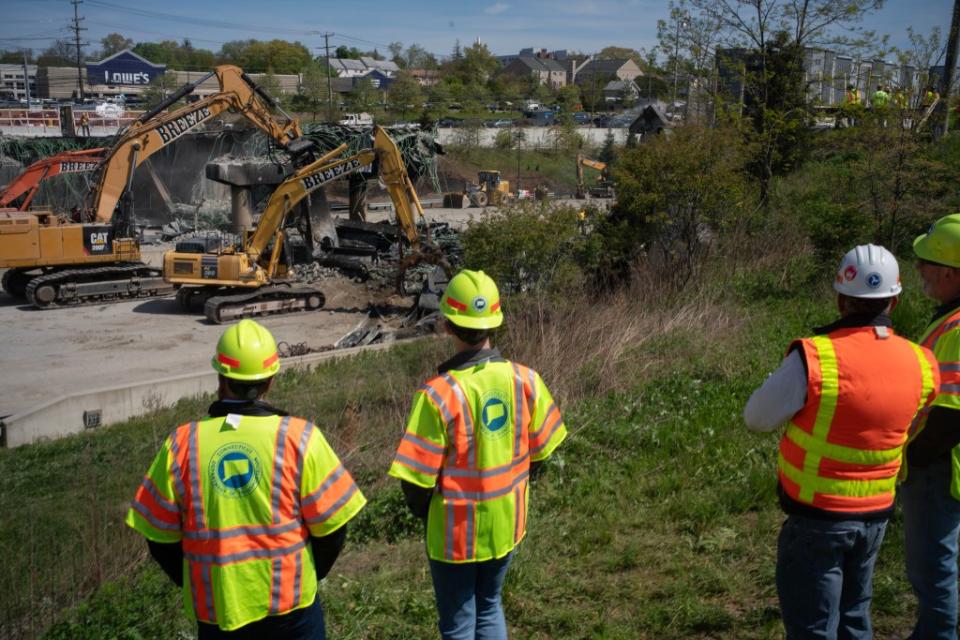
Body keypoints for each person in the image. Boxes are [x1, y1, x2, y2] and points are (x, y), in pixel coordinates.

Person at [744, 244, 939, 639]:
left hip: (817, 515)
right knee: (855, 617)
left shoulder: (816, 357)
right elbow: (913, 426)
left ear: (840, 298)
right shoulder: (922, 362)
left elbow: (757, 418)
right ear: (895, 301)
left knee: (814, 627)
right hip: (877, 515)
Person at [125, 319, 366, 639]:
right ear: (271, 379)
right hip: (292, 610)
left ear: (221, 376)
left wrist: (197, 579)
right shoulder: (300, 438)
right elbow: (333, 530)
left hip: (218, 613)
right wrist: (310, 574)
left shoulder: (183, 445)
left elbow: (158, 538)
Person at [388, 269, 567, 640]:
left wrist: (427, 512)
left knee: (458, 622)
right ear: (495, 322)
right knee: (489, 606)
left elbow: (414, 481)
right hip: (507, 523)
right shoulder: (526, 380)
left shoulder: (438, 395)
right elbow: (543, 451)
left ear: (447, 325)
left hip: (453, 536)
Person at [902, 213, 960, 640]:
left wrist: (911, 458)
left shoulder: (957, 328)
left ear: (951, 272)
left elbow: (951, 415)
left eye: (926, 261)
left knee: (934, 571)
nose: (918, 269)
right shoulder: (950, 318)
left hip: (941, 469)